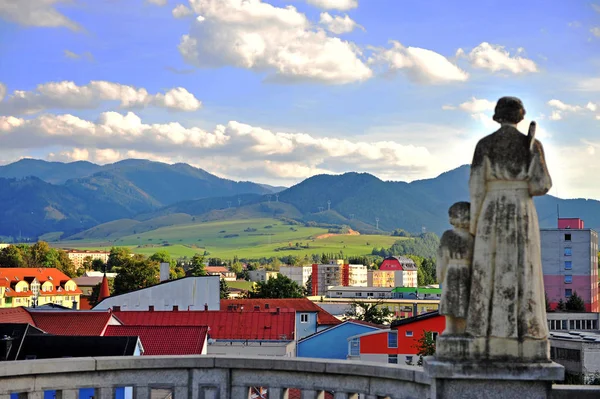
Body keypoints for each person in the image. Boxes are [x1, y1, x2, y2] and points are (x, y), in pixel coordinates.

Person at [466, 97, 552, 345]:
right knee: (523, 267)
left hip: (491, 208)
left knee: (488, 269)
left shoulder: (485, 144)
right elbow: (542, 184)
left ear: (498, 116)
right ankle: (526, 329)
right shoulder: (532, 146)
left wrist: (475, 223)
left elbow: (476, 186)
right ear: (520, 116)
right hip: (522, 208)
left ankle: (485, 328)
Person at [437, 201, 473, 335]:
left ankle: (451, 329)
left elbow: (442, 258)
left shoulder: (448, 236)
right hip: (467, 272)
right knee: (464, 300)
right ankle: (462, 329)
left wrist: (440, 275)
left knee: (452, 300)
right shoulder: (474, 237)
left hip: (452, 271)